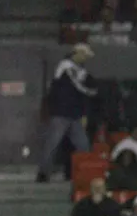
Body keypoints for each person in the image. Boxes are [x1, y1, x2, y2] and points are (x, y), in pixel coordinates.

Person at [37, 44, 96, 183]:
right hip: (61, 112)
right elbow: (78, 87)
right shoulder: (66, 66)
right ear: (77, 53)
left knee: (83, 145)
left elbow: (80, 93)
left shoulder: (80, 69)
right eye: (84, 55)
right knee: (52, 144)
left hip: (74, 114)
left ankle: (85, 174)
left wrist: (83, 113)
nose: (85, 58)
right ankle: (43, 173)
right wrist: (90, 92)